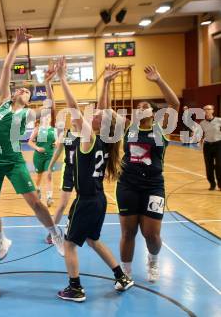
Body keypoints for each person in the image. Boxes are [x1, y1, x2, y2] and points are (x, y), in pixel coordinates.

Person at [0, 27, 64, 260]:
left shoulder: (27, 114)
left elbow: (50, 107)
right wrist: (16, 44)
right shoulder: (1, 103)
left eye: (29, 91)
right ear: (14, 93)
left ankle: (55, 234)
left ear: (28, 100)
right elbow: (6, 68)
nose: (25, 90)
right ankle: (2, 239)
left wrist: (48, 83)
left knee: (35, 203)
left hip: (14, 160)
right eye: (22, 89)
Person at [55, 57, 133, 302]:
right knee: (92, 239)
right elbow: (104, 111)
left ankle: (75, 288)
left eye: (98, 115)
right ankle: (121, 276)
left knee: (69, 245)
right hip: (99, 200)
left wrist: (63, 79)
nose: (95, 113)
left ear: (99, 124)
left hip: (86, 200)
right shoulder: (106, 141)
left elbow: (74, 108)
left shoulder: (89, 138)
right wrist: (106, 84)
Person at [113, 64, 180, 282]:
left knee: (151, 234)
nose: (140, 109)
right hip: (127, 185)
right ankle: (126, 271)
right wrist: (106, 82)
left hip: (153, 186)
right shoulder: (128, 127)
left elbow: (175, 104)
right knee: (128, 233)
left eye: (145, 107)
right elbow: (105, 111)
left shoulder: (162, 128)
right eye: (137, 107)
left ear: (153, 112)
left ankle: (153, 260)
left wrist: (158, 80)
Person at [28, 114, 57, 207]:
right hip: (38, 156)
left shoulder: (54, 130)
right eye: (45, 117)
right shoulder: (37, 129)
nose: (47, 119)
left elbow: (57, 141)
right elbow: (30, 141)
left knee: (48, 175)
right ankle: (38, 189)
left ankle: (49, 197)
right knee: (39, 177)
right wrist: (37, 148)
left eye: (49, 117)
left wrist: (56, 143)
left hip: (50, 156)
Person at [199, 105, 221, 190]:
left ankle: (220, 184)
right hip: (207, 146)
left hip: (218, 145)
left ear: (212, 111)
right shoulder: (202, 123)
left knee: (219, 165)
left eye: (208, 109)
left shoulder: (219, 120)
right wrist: (200, 145)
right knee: (209, 166)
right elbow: (201, 135)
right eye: (205, 109)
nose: (207, 111)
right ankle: (212, 184)